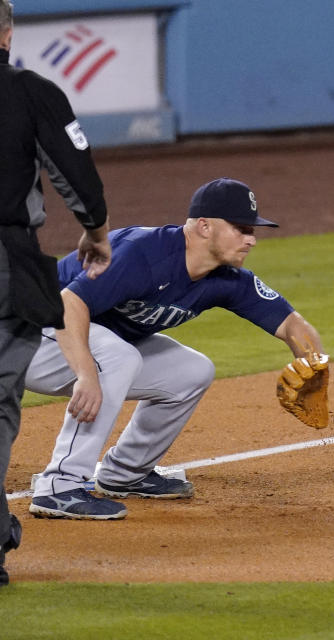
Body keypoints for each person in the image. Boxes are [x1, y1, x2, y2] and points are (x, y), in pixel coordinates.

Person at [25, 177, 325, 521]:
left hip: (77, 341)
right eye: (241, 228)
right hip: (26, 331)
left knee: (192, 371)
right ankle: (59, 487)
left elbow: (292, 325)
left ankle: (125, 473)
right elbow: (69, 303)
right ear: (203, 226)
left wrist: (315, 370)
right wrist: (86, 372)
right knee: (117, 356)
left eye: (252, 230)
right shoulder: (141, 253)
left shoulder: (224, 279)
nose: (251, 239)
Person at [1, 0, 113, 585]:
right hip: (5, 263)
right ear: (7, 31)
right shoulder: (28, 90)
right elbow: (76, 171)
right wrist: (95, 231)